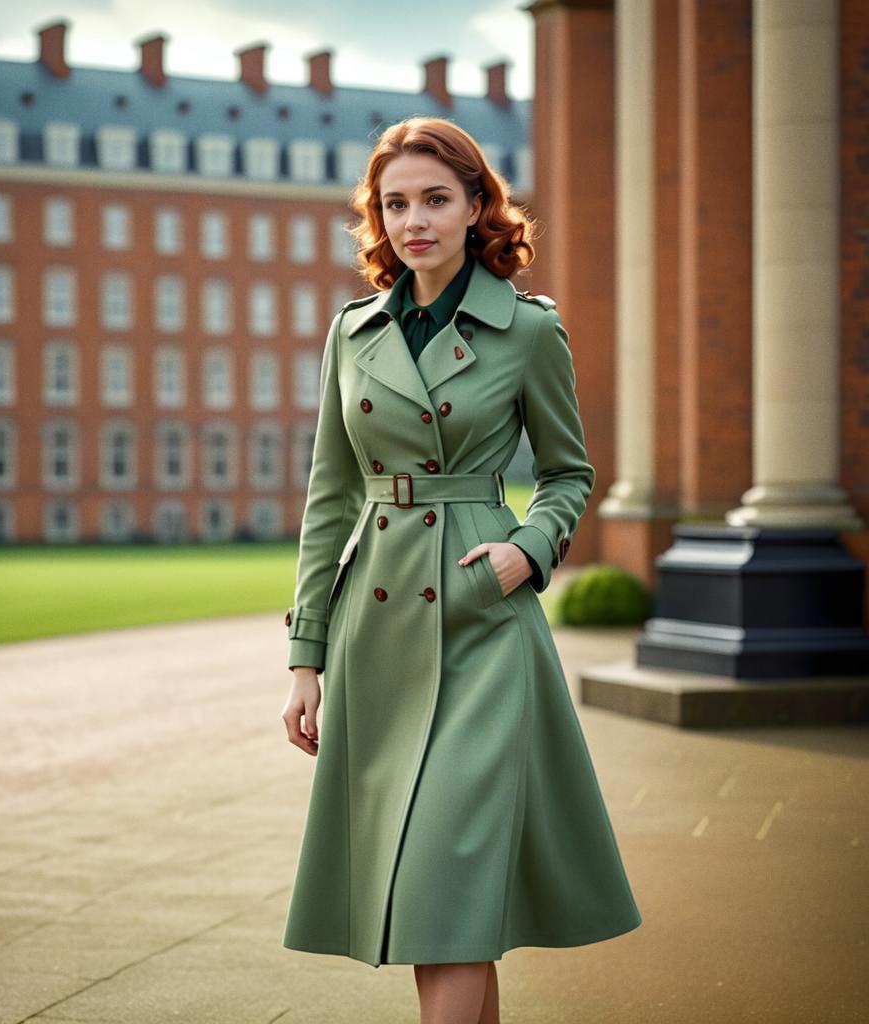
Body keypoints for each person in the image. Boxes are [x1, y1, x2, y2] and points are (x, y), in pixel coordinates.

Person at [280, 116, 642, 1024]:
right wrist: (304, 656)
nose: (415, 221)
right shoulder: (352, 335)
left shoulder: (526, 330)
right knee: (427, 893)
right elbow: (331, 498)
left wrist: (529, 549)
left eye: (436, 199)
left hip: (483, 620)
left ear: (477, 206)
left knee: (445, 877)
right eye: (394, 203)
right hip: (379, 626)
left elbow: (569, 473)